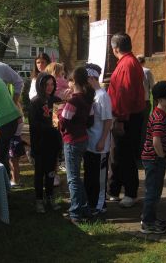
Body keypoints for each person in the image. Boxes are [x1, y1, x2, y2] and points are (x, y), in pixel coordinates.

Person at [107, 33, 145, 208]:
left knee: (125, 155)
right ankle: (114, 190)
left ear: (115, 49)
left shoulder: (127, 64)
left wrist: (120, 119)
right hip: (128, 116)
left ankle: (130, 192)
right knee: (118, 155)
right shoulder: (129, 62)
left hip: (127, 117)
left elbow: (124, 93)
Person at [140, 81, 166, 234]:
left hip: (156, 159)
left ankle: (150, 217)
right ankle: (147, 222)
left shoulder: (161, 114)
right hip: (154, 159)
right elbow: (156, 140)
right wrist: (161, 156)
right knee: (153, 192)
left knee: (156, 190)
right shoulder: (158, 117)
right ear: (160, 100)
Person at [58, 66, 95, 223]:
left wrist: (60, 108)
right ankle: (84, 208)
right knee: (77, 178)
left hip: (72, 141)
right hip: (83, 139)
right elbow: (90, 121)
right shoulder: (87, 99)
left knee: (72, 178)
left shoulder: (73, 101)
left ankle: (75, 212)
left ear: (73, 82)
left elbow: (63, 122)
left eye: (69, 80)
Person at [29, 72, 62, 213]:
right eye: (46, 84)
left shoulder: (56, 100)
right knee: (39, 172)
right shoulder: (35, 102)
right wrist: (48, 128)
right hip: (40, 142)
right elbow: (33, 124)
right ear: (40, 85)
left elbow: (58, 122)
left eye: (52, 84)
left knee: (50, 172)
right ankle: (39, 200)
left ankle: (50, 197)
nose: (50, 87)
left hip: (52, 142)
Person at [83, 64, 113, 215]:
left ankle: (100, 205)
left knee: (99, 178)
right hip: (89, 144)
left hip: (100, 145)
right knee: (90, 175)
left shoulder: (102, 96)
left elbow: (108, 120)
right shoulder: (91, 95)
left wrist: (102, 140)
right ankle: (91, 202)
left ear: (91, 78)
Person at [137, 54, 155, 159]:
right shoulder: (146, 71)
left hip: (134, 103)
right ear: (144, 62)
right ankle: (142, 151)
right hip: (145, 102)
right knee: (144, 127)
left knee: (135, 126)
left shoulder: (132, 70)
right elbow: (153, 87)